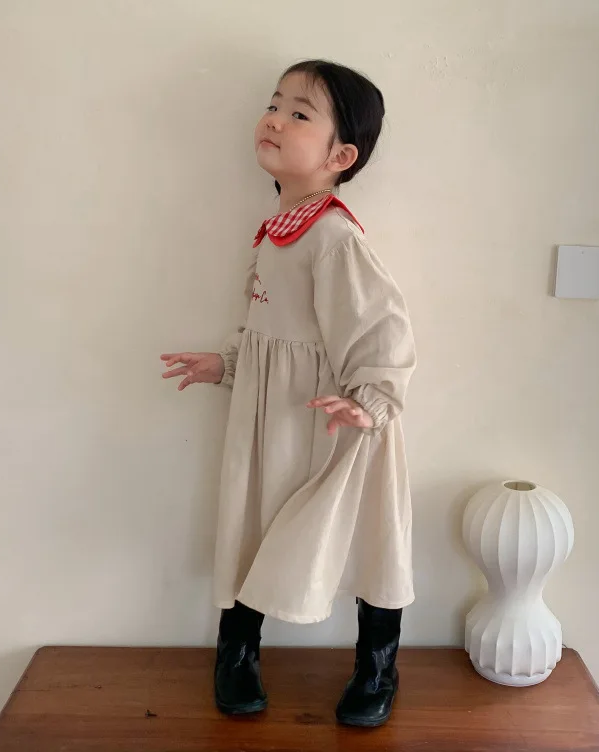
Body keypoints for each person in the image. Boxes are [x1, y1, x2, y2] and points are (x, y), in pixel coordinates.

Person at [160, 60, 416, 727]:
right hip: (274, 417)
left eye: (299, 113)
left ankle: (378, 664)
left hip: (338, 424)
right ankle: (237, 651)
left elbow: (384, 330)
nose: (274, 119)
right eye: (274, 104)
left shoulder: (334, 237)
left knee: (367, 536)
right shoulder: (277, 230)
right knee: (255, 524)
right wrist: (226, 364)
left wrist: (370, 402)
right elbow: (265, 327)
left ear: (340, 155)